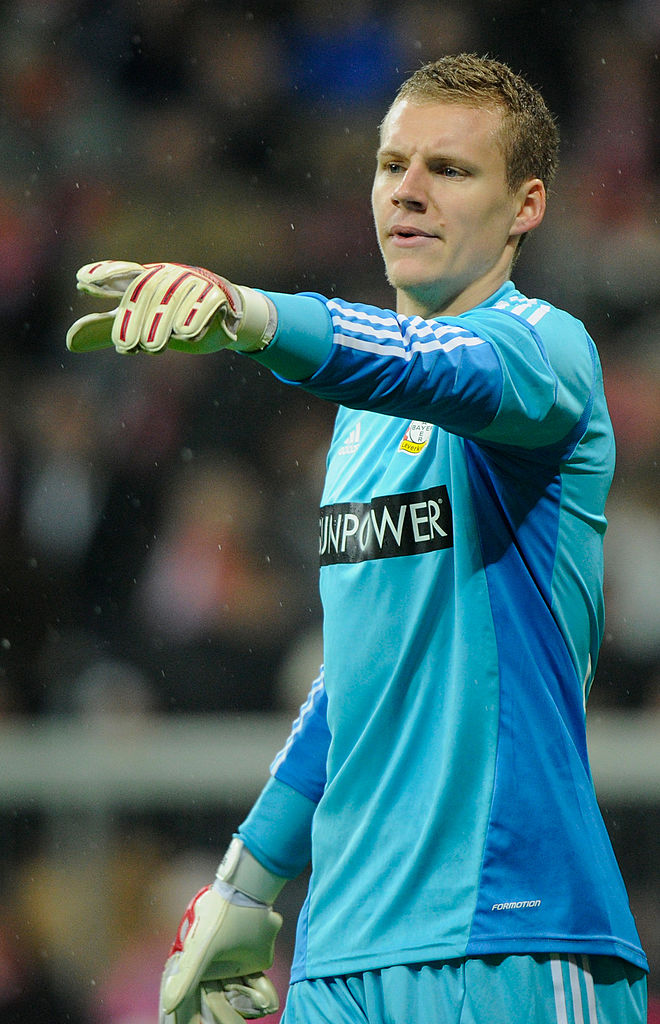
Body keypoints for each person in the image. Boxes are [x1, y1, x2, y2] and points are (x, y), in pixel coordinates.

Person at [66, 54, 648, 1024]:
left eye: (449, 169)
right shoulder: (360, 421)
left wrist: (253, 314)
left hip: (509, 933)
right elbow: (356, 679)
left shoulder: (550, 354)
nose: (407, 191)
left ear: (527, 206)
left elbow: (435, 367)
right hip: (340, 952)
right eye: (391, 164)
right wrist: (247, 881)